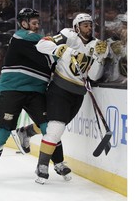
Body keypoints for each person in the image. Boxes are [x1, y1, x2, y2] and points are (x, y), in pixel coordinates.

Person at [0, 8, 71, 181]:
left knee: (49, 128)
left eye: (37, 23)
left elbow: (52, 59)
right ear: (23, 23)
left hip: (37, 91)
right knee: (1, 132)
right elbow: (50, 53)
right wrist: (64, 43)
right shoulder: (21, 37)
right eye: (33, 23)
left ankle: (58, 163)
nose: (36, 26)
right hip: (12, 89)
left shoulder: (42, 42)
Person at [32, 13, 109, 184]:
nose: (88, 28)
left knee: (56, 127)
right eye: (85, 25)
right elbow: (41, 44)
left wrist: (99, 58)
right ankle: (42, 165)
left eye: (90, 25)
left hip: (78, 94)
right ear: (76, 27)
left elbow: (94, 76)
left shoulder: (96, 45)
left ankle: (28, 131)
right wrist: (58, 49)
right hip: (59, 88)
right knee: (56, 128)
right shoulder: (68, 35)